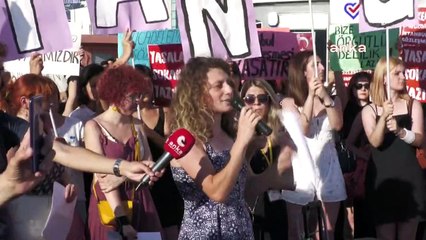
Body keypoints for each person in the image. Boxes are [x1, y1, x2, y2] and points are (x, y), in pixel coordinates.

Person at [170, 57, 293, 239]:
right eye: (218, 85)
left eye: (229, 83)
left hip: (239, 230)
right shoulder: (185, 139)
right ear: (196, 92)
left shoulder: (229, 134)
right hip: (206, 234)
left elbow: (244, 188)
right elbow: (217, 192)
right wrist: (242, 142)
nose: (229, 90)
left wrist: (280, 168)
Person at [85, 65, 162, 240]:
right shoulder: (93, 127)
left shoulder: (137, 125)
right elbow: (103, 179)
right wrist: (122, 221)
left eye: (139, 95)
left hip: (141, 202)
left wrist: (124, 176)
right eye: (132, 96)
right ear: (115, 95)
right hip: (109, 208)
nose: (138, 101)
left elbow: (149, 167)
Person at [281, 51, 346, 240]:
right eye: (315, 64)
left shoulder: (334, 100)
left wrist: (326, 98)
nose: (322, 68)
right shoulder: (288, 103)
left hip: (329, 170)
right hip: (300, 172)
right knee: (297, 232)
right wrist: (310, 96)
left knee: (327, 233)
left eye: (321, 63)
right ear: (302, 72)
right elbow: (303, 129)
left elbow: (337, 125)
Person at [361, 57, 425, 240]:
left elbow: (419, 139)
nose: (403, 77)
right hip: (383, 181)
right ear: (383, 78)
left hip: (409, 179)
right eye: (397, 73)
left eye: (403, 72)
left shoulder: (413, 104)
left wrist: (400, 131)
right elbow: (374, 141)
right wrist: (383, 117)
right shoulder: (370, 110)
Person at [134, 64, 183, 240]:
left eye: (148, 83)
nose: (145, 88)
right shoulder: (125, 117)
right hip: (139, 185)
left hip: (165, 182)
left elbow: (173, 148)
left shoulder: (166, 112)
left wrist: (148, 132)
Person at [240, 79, 290, 240]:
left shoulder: (282, 132)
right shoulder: (236, 134)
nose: (256, 104)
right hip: (247, 207)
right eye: (249, 99)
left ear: (269, 102)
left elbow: (287, 175)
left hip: (277, 205)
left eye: (262, 99)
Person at [335, 72, 373, 239]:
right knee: (345, 207)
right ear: (352, 88)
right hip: (351, 162)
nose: (363, 89)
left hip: (371, 165)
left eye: (367, 85)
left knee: (365, 208)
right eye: (359, 86)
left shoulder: (378, 106)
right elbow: (347, 140)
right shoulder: (347, 107)